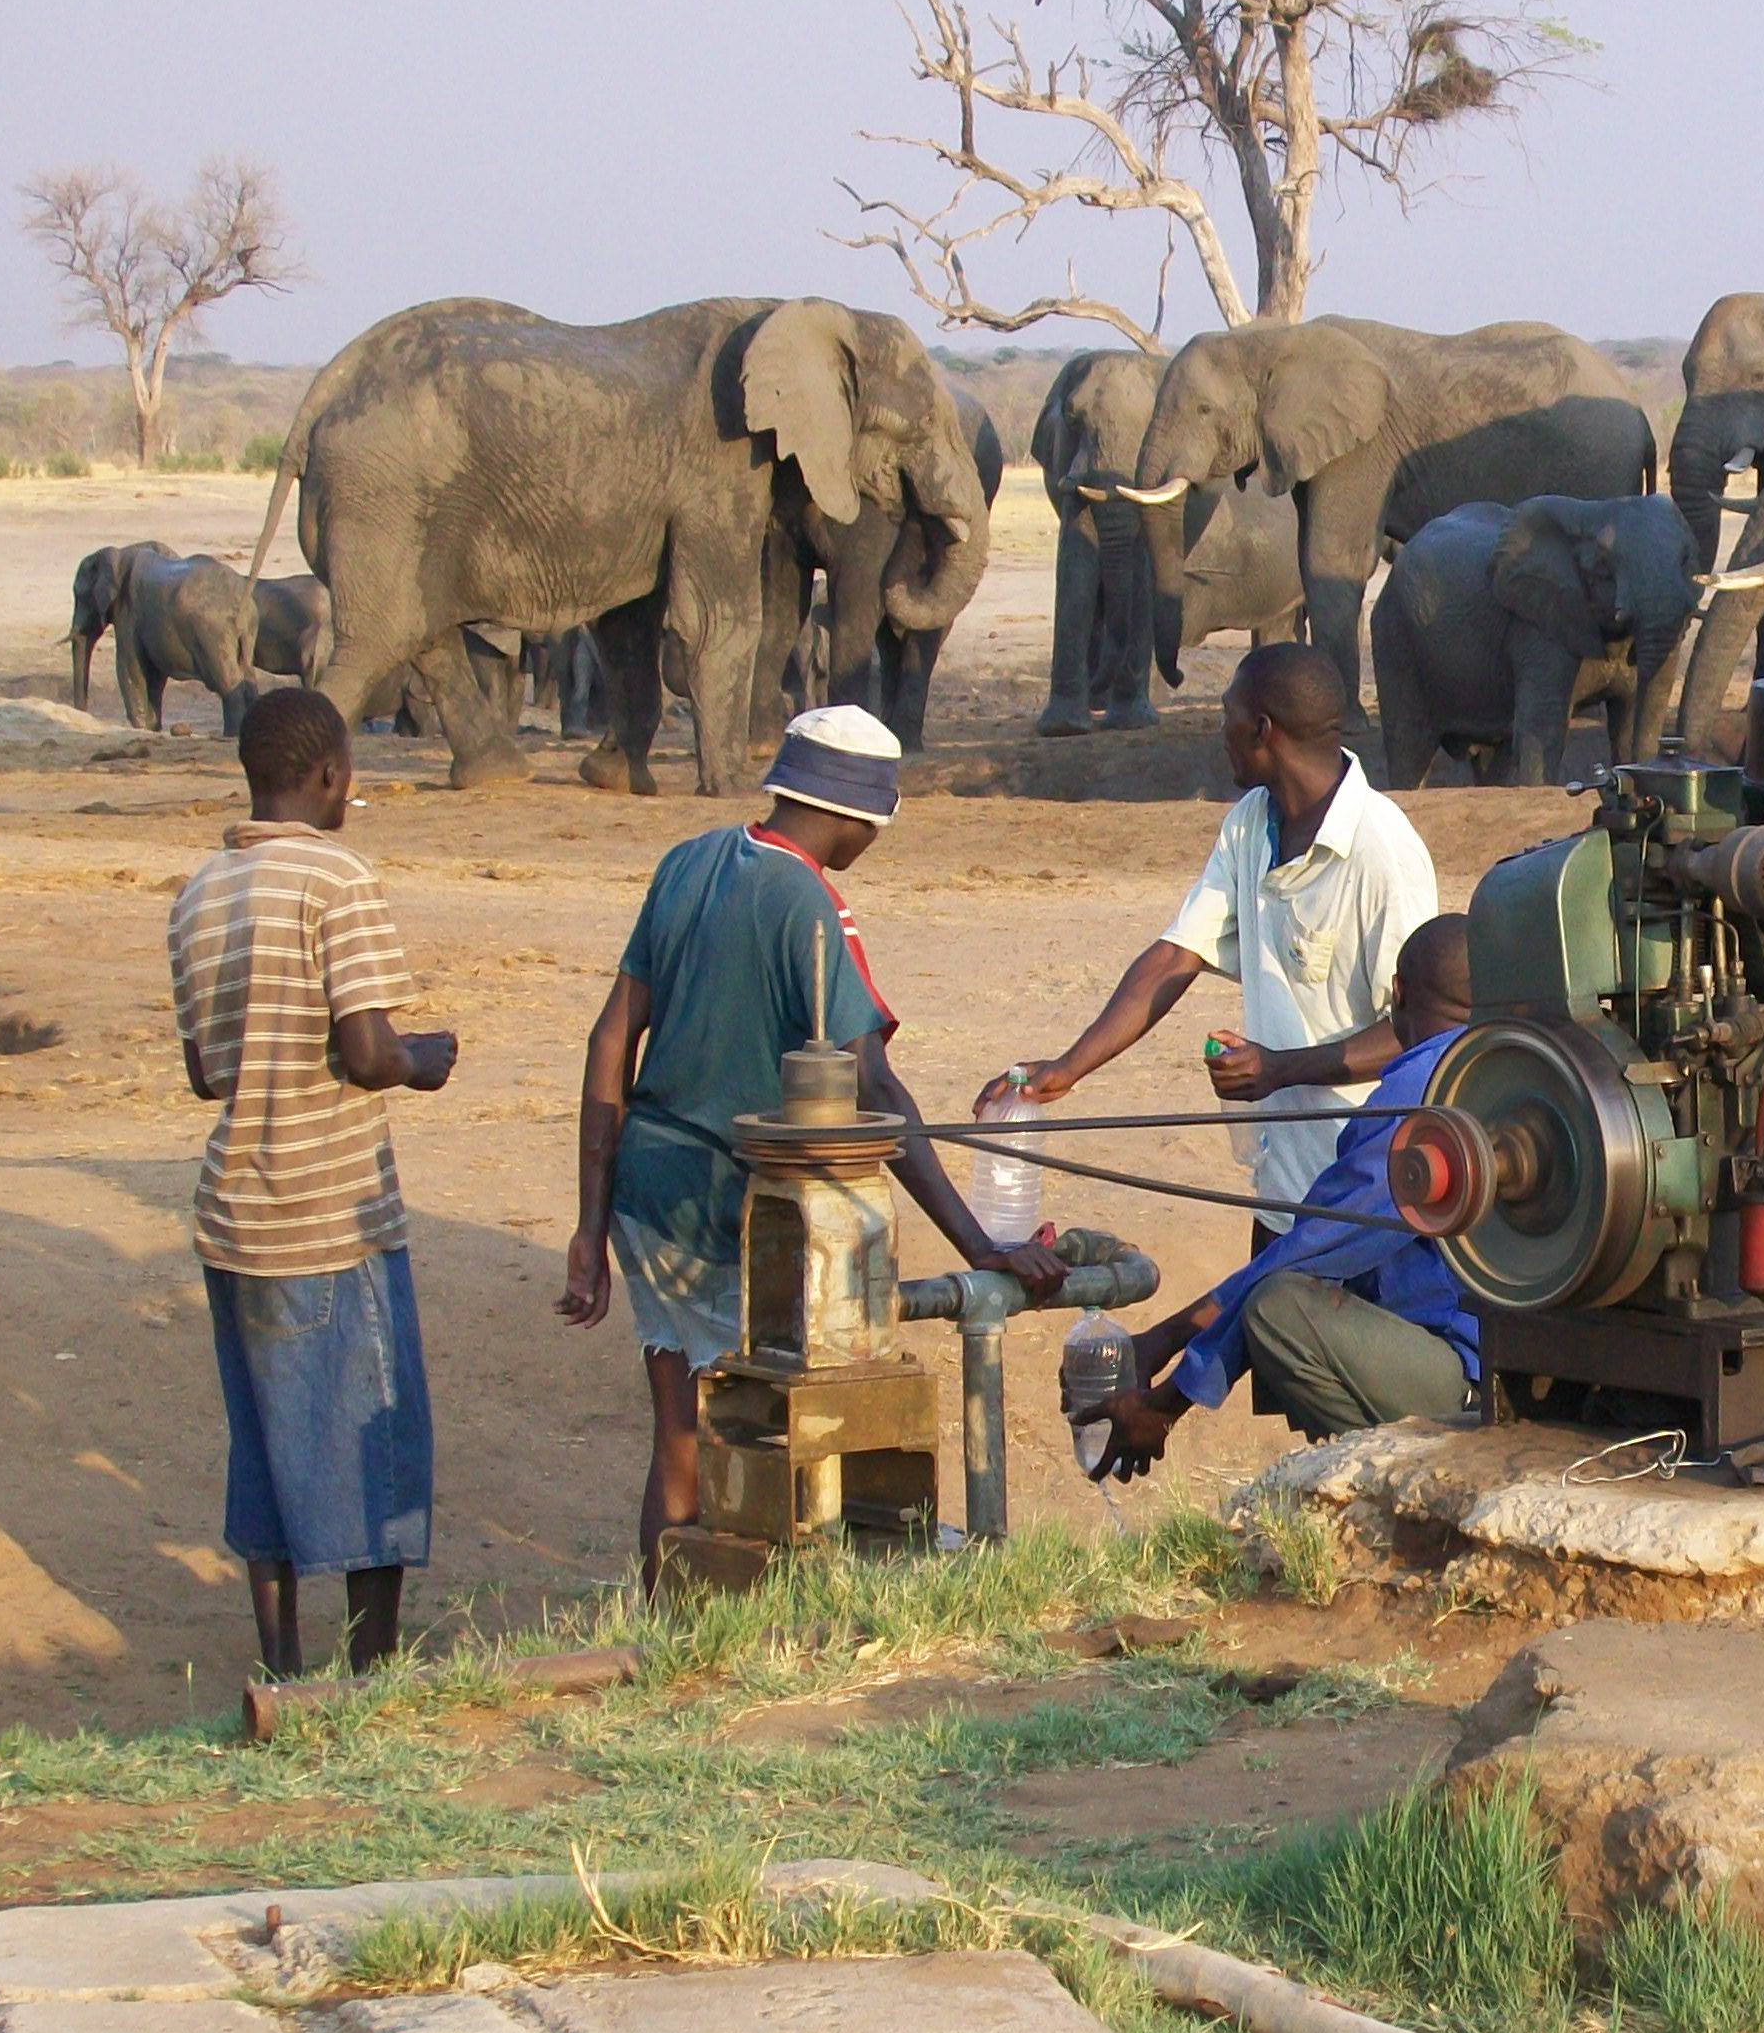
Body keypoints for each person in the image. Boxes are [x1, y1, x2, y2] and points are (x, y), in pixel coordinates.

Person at [557, 704, 1062, 1584]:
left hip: (642, 1192)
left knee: (678, 1437)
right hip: (733, 1211)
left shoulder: (688, 863)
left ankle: (665, 1628)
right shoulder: (815, 910)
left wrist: (588, 1224)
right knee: (758, 1444)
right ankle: (745, 1629)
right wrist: (980, 1245)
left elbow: (611, 1042)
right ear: (858, 818)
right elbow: (872, 1086)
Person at [167, 688, 456, 1679]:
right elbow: (368, 1052)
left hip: (232, 1211)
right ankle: (370, 1672)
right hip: (329, 1208)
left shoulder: (201, 889)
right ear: (333, 775)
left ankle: (283, 1670)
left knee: (268, 1451)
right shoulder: (338, 876)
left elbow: (207, 1072)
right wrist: (425, 1056)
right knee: (375, 1438)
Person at [999, 643, 1435, 1246]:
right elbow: (1179, 954)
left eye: (1226, 711)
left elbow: (1420, 1033)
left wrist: (1280, 1069)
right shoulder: (1252, 821)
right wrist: (1065, 1069)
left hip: (1366, 1198)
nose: (1218, 729)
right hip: (1282, 1189)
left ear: (1262, 730)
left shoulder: (1381, 852)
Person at [1078, 917, 1481, 1478]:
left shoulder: (1418, 1099)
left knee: (1278, 1306)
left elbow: (1304, 1255)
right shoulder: (1505, 1072)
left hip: (1467, 1378)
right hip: (1525, 1364)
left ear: (1398, 994)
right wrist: (1169, 1343)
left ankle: (1395, 1480)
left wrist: (1168, 1399)